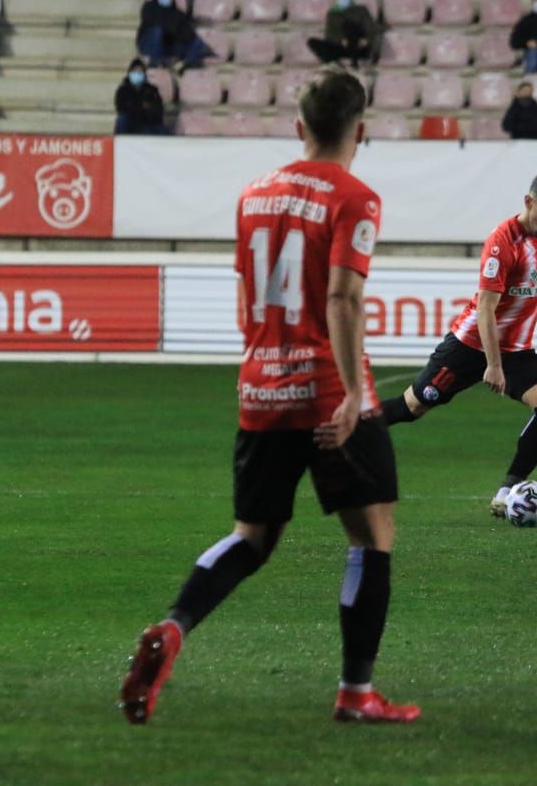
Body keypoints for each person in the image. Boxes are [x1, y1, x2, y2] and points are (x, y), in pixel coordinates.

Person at [120, 70, 420, 727]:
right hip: (327, 390)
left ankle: (174, 624)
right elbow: (343, 297)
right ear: (360, 131)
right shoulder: (356, 198)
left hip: (261, 385)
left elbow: (247, 293)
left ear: (299, 127)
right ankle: (355, 692)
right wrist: (345, 396)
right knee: (373, 535)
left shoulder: (254, 195)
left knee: (251, 538)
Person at [379, 172, 537, 517]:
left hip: (517, 350)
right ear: (528, 202)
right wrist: (492, 366)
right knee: (412, 407)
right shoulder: (502, 243)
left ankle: (507, 492)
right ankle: (342, 429)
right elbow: (485, 309)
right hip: (470, 346)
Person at [137, 0, 213, 68]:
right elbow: (153, 23)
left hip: (166, 45)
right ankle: (155, 62)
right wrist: (171, 28)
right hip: (147, 44)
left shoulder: (177, 14)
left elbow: (186, 33)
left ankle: (189, 64)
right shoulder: (149, 7)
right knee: (157, 31)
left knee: (193, 42)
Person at [308, 0, 381, 67]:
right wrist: (341, 40)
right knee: (312, 42)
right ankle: (333, 64)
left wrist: (366, 40)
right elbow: (329, 36)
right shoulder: (332, 14)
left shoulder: (361, 10)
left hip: (358, 47)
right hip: (342, 48)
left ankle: (354, 63)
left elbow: (371, 29)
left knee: (348, 25)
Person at [114, 59, 169, 136]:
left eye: (140, 72)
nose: (137, 74)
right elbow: (122, 108)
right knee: (122, 120)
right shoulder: (123, 90)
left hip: (147, 123)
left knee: (162, 131)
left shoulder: (152, 90)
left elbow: (157, 110)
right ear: (130, 73)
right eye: (135, 71)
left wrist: (139, 108)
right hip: (131, 123)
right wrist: (142, 107)